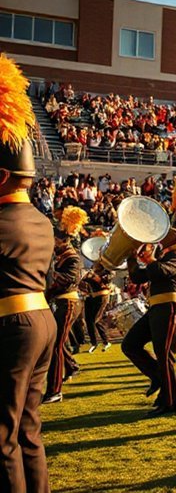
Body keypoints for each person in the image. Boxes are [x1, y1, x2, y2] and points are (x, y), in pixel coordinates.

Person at [0, 53, 59, 493]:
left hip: (12, 326)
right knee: (28, 430)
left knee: (1, 436)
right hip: (42, 322)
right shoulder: (41, 220)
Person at [122, 168, 176, 417]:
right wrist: (131, 257)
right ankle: (161, 380)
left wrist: (149, 260)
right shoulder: (165, 254)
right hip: (157, 307)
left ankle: (170, 401)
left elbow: (160, 273)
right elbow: (140, 277)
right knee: (130, 345)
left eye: (168, 230)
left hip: (170, 307)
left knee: (164, 354)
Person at [43, 207, 87, 403]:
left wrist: (48, 273)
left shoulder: (73, 258)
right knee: (56, 342)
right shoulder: (61, 256)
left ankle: (54, 390)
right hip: (62, 302)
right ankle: (71, 367)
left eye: (54, 239)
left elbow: (67, 279)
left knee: (56, 345)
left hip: (68, 302)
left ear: (60, 240)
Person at [80, 267, 112, 352]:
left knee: (96, 320)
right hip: (90, 297)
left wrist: (94, 276)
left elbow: (107, 285)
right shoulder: (92, 271)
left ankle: (104, 341)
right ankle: (94, 342)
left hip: (100, 298)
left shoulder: (107, 272)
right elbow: (83, 280)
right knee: (89, 320)